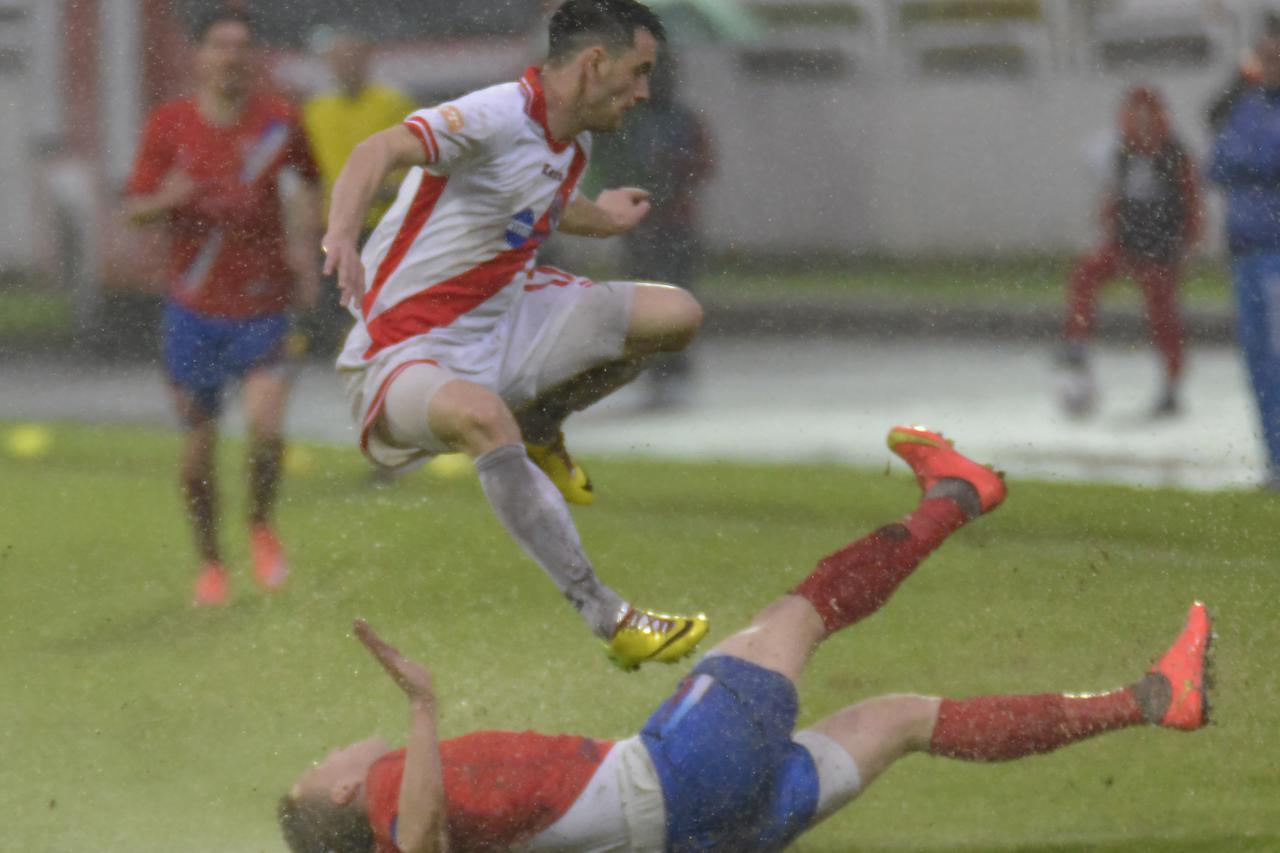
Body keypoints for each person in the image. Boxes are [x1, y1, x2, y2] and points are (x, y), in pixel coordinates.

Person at [278, 425, 1213, 853]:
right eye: (317, 763)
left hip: (704, 830)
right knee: (801, 610)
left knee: (899, 719)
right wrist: (422, 702)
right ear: (344, 792)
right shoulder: (395, 794)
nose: (328, 749)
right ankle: (958, 494)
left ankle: (1150, 698)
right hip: (681, 770)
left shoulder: (407, 820)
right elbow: (423, 828)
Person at [321, 0, 708, 668]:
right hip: (404, 350)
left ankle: (542, 424)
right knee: (481, 416)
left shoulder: (573, 142)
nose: (645, 90)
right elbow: (376, 148)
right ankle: (609, 614)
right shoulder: (495, 114)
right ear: (594, 64)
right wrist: (340, 237)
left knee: (675, 317)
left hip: (503, 320)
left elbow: (541, 202)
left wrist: (603, 219)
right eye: (639, 71)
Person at [123, 9, 323, 605]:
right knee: (197, 455)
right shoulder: (169, 125)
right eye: (220, 46)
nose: (231, 57)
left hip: (264, 301)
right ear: (199, 57)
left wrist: (304, 246)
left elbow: (311, 181)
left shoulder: (279, 123)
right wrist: (169, 198)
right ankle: (211, 563)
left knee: (266, 430)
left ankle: (261, 525)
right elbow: (134, 210)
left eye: (241, 46)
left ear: (253, 56)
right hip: (194, 308)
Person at [1058, 86, 1201, 419]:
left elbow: (1191, 201)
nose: (1142, 123)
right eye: (1135, 116)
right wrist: (1106, 225)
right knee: (1085, 273)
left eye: (1148, 116)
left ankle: (1171, 383)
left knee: (1163, 316)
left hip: (1160, 248)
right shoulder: (1122, 153)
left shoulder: (1174, 154)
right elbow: (1113, 196)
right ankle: (1077, 344)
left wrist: (1189, 242)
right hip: (1126, 242)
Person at [595, 46, 714, 408]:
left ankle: (675, 371)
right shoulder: (630, 120)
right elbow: (611, 163)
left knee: (677, 297)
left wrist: (674, 174)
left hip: (676, 222)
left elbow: (705, 164)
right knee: (641, 301)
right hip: (640, 225)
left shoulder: (685, 119)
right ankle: (650, 371)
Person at [303, 28, 417, 355]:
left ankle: (382, 354)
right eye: (339, 60)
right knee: (335, 303)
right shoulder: (316, 109)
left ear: (367, 59)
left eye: (353, 57)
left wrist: (389, 189)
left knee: (381, 298)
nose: (346, 66)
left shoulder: (392, 102)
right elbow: (307, 170)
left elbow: (416, 158)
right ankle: (347, 359)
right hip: (334, 226)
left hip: (382, 224)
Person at [1209, 34, 1280, 492]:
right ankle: (1274, 460)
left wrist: (1251, 162)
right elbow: (1216, 163)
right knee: (1259, 363)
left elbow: (1264, 160)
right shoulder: (1247, 106)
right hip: (1247, 254)